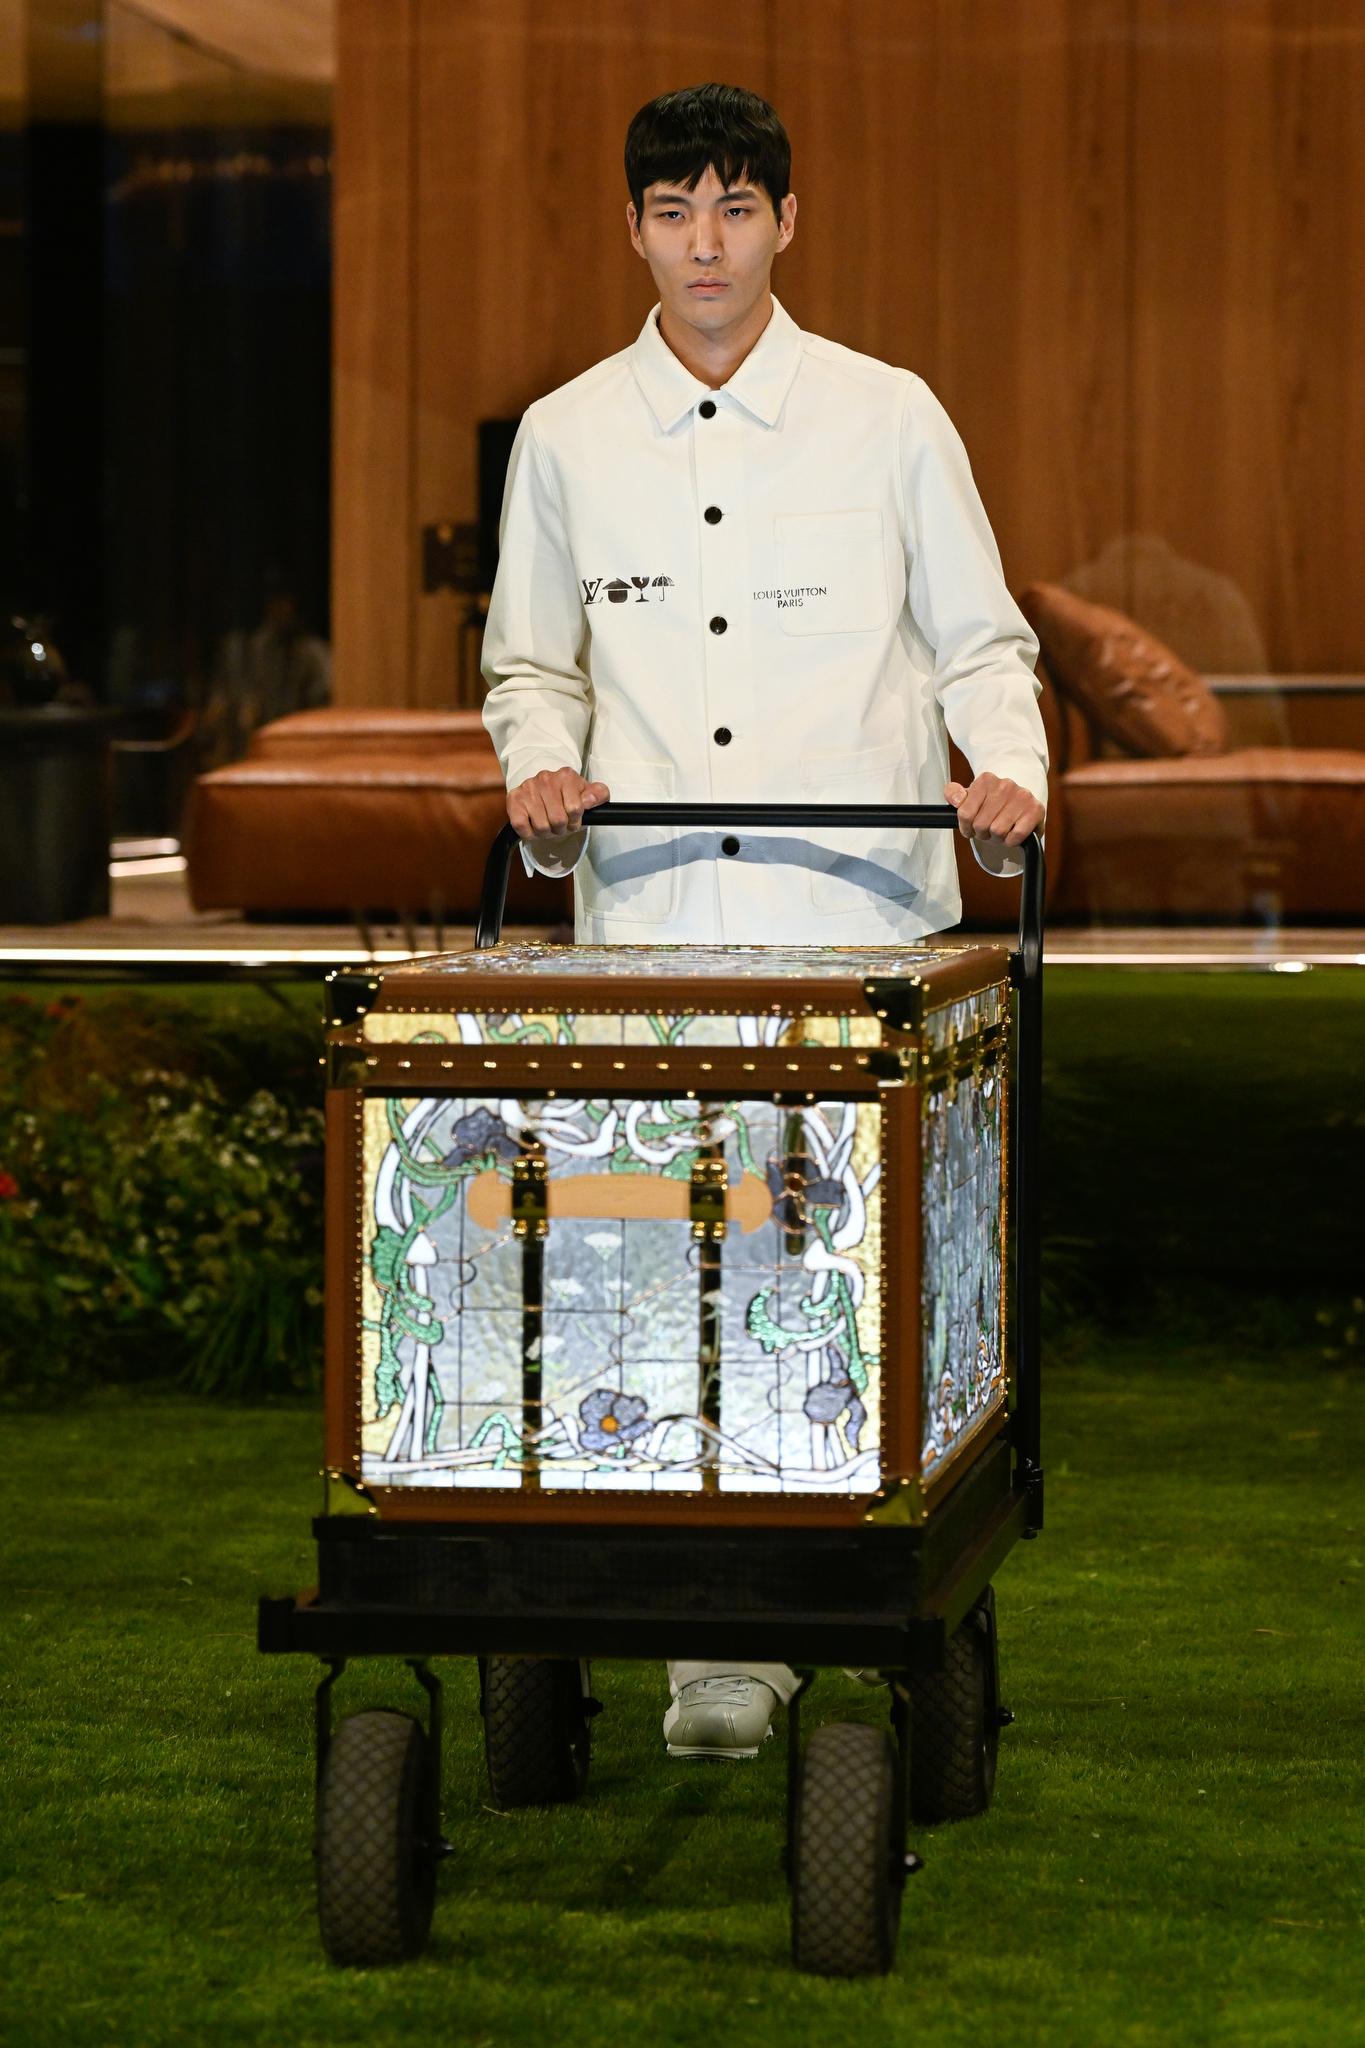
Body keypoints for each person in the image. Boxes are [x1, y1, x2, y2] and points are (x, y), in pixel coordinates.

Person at [481, 83, 1047, 1761]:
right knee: (656, 1266)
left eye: (735, 208)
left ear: (786, 222)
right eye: (673, 212)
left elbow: (981, 645)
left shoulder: (889, 416)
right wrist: (540, 767)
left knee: (830, 1276)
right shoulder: (566, 435)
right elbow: (530, 668)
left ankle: (838, 1584)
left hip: (859, 936)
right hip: (651, 936)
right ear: (633, 230)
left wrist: (1007, 771)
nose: (705, 244)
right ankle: (709, 1647)